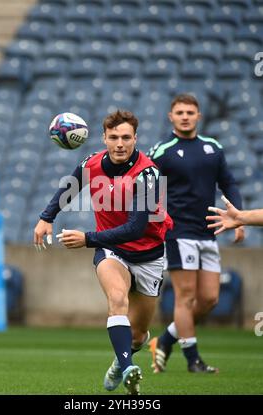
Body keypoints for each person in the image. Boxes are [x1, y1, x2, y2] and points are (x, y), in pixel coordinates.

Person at [34, 110, 173, 395]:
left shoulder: (148, 174)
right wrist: (46, 217)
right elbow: (68, 188)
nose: (119, 143)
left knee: (138, 334)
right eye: (113, 137)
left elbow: (135, 228)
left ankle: (120, 361)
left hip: (149, 254)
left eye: (125, 137)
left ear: (136, 139)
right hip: (112, 251)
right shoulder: (91, 163)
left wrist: (87, 238)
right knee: (117, 298)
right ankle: (128, 368)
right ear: (103, 138)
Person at [147, 94, 244, 374]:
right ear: (171, 116)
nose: (185, 116)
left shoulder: (213, 148)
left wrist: (237, 219)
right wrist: (156, 228)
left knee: (210, 299)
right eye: (180, 112)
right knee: (186, 297)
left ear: (199, 116)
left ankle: (164, 340)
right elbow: (150, 192)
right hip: (178, 233)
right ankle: (193, 361)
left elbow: (229, 183)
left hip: (208, 231)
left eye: (190, 112)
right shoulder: (162, 150)